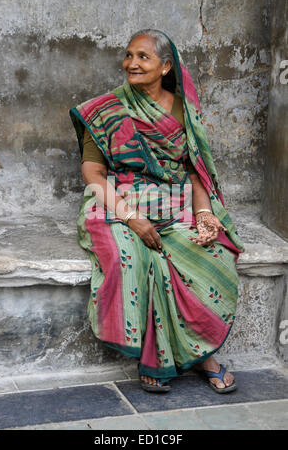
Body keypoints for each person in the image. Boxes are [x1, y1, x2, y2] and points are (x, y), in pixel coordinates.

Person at [70, 29, 245, 394]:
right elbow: (93, 174)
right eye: (129, 55)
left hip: (173, 201)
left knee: (209, 250)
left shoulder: (183, 109)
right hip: (116, 202)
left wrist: (202, 215)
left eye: (143, 57)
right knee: (137, 256)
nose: (132, 63)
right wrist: (132, 217)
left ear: (166, 66)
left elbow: (194, 169)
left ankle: (202, 353)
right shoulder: (105, 109)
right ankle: (165, 358)